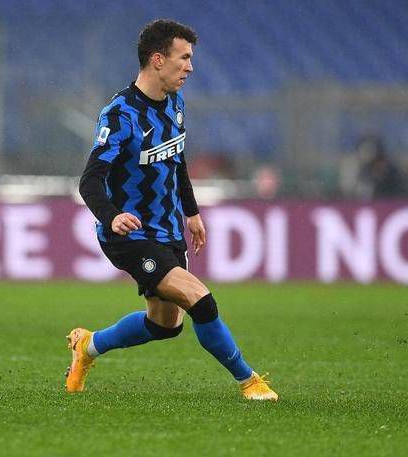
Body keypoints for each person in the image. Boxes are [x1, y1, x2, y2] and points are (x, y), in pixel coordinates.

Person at [70, 19, 278, 401]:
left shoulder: (174, 103)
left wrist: (192, 212)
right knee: (200, 298)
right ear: (157, 60)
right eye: (184, 58)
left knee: (165, 324)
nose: (190, 67)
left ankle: (88, 346)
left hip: (168, 230)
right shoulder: (120, 115)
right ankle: (249, 381)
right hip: (129, 234)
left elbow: (176, 159)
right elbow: (90, 180)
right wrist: (112, 215)